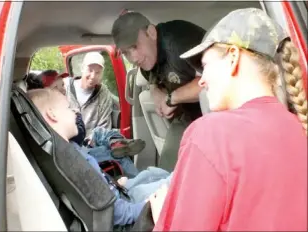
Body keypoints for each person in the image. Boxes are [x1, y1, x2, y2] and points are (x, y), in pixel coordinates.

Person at [149, 8, 307, 231]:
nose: (201, 81)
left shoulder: (211, 135)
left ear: (233, 57)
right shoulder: (298, 127)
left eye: (205, 66)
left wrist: (163, 215)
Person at [26, 88, 170, 227]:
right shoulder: (74, 162)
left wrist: (115, 184)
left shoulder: (63, 152)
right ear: (52, 114)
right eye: (69, 108)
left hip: (118, 192)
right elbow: (116, 213)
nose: (76, 112)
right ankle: (116, 143)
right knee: (175, 181)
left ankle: (117, 144)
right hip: (129, 208)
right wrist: (150, 206)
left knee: (153, 173)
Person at [111, 11, 206, 170]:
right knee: (167, 167)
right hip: (189, 117)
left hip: (218, 114)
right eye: (126, 52)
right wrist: (155, 90)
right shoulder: (147, 61)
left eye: (135, 46)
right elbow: (150, 76)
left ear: (151, 33)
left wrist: (171, 98)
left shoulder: (179, 41)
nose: (133, 58)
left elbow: (212, 81)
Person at [64, 52, 116, 137]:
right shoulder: (65, 86)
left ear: (102, 74)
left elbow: (104, 127)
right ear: (82, 68)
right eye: (90, 70)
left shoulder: (103, 93)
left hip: (90, 146)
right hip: (66, 141)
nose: (93, 76)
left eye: (97, 72)